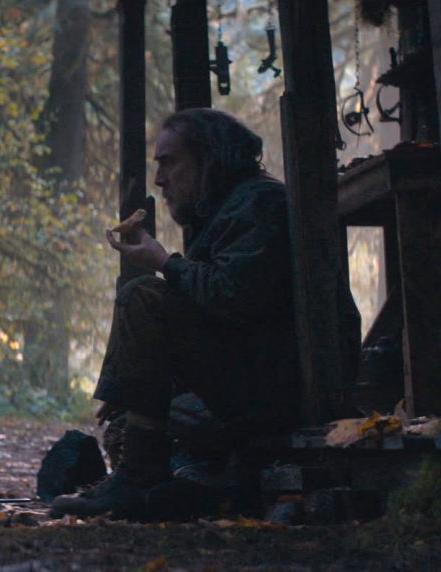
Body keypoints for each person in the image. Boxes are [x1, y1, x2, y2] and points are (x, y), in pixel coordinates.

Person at [50, 108, 360, 521]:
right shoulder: (223, 211)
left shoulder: (260, 203)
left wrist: (165, 261)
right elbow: (211, 325)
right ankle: (198, 486)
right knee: (127, 420)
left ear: (208, 159)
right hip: (245, 386)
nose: (160, 180)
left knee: (142, 295)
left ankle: (148, 481)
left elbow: (231, 297)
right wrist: (133, 385)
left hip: (281, 393)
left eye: (169, 163)